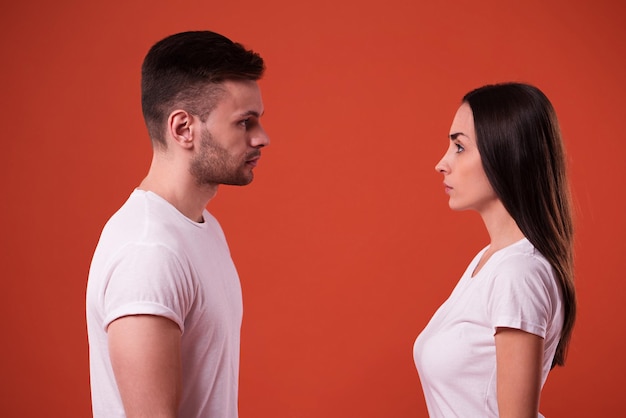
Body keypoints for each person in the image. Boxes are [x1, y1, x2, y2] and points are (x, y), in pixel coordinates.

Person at [86, 30, 269, 418]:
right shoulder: (149, 254)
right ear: (184, 128)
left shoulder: (199, 228)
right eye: (244, 123)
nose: (262, 138)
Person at [413, 82, 576, 417]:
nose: (441, 164)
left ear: (507, 153)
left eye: (459, 147)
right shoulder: (490, 262)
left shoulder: (518, 273)